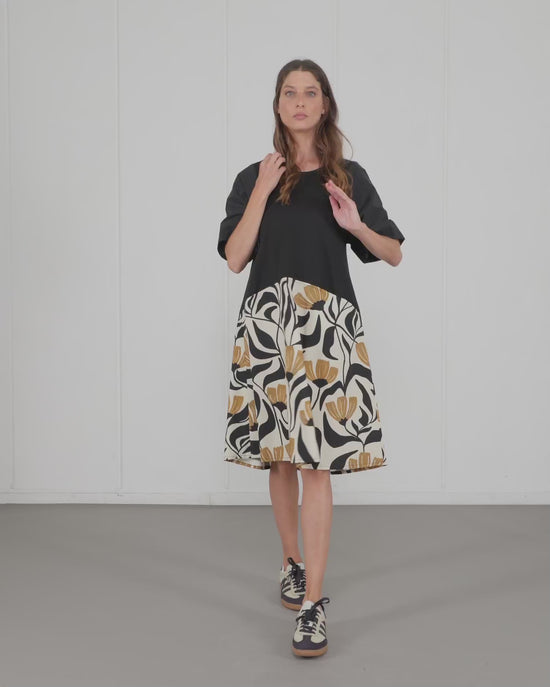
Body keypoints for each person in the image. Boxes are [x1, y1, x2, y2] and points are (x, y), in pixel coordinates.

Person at [217, 59, 405, 658]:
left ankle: (313, 605)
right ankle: (291, 563)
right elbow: (235, 258)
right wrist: (262, 193)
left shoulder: (346, 176)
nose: (300, 101)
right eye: (289, 93)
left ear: (325, 105)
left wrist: (357, 225)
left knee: (316, 464)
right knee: (279, 459)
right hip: (268, 323)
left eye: (311, 92)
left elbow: (393, 252)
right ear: (278, 105)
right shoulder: (253, 177)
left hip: (327, 326)